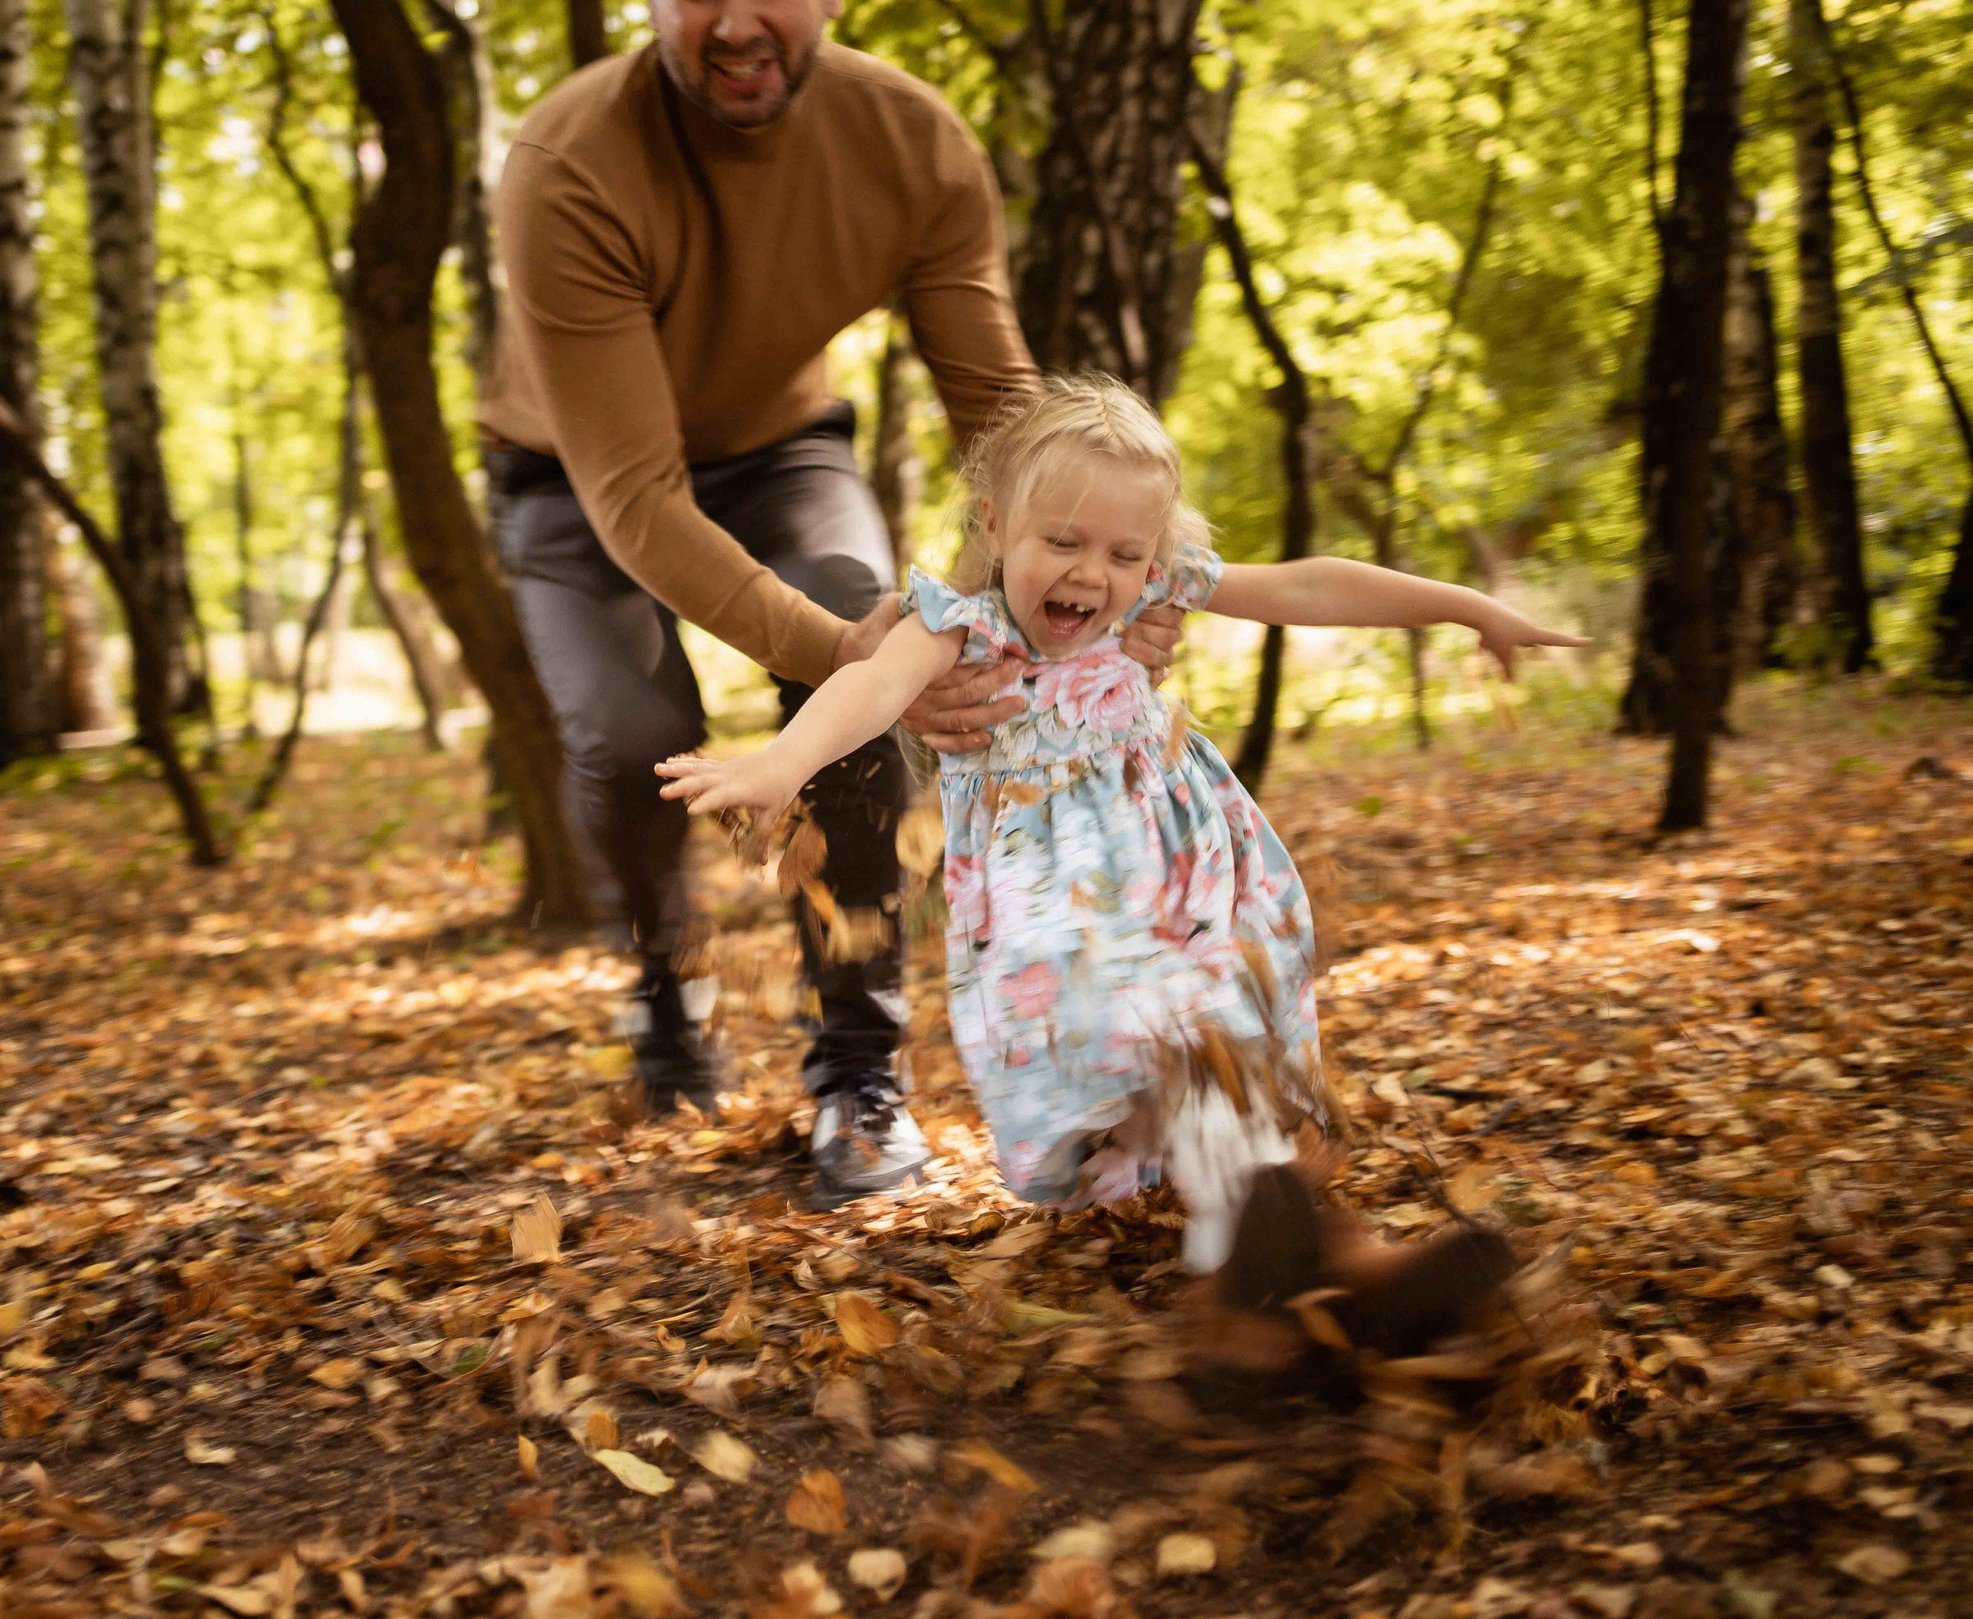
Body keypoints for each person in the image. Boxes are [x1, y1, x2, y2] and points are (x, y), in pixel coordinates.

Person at [481, 0, 1180, 1208]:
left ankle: (858, 1075)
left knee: (862, 661)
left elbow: (1011, 427)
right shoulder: (570, 158)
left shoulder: (913, 145)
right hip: (572, 485)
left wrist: (1131, 571)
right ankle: (662, 979)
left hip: (782, 449)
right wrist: (864, 663)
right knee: (640, 735)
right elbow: (635, 494)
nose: (735, 19)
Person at [657, 376, 1585, 1276]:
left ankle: (1274, 1236)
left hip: (1179, 867)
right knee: (1137, 1033)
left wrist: (1468, 606)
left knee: (1214, 1036)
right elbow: (869, 687)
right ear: (993, 523)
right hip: (1054, 900)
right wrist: (778, 766)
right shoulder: (959, 626)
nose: (1091, 574)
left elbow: (1310, 588)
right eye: (1061, 540)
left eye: (1123, 553)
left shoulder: (1151, 596)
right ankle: (1260, 1254)